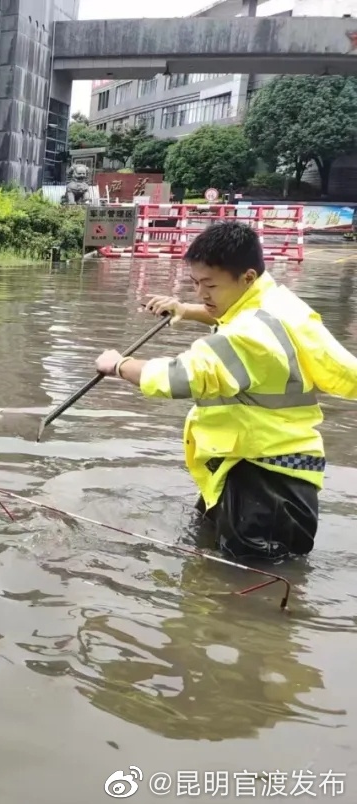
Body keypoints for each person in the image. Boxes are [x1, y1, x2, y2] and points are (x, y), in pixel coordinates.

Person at [94, 220, 357, 562]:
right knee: (213, 564)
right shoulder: (277, 302)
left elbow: (181, 376)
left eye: (210, 285)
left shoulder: (252, 334)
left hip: (264, 483)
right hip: (255, 465)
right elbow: (232, 314)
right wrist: (185, 311)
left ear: (247, 277)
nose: (201, 294)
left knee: (248, 582)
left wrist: (119, 365)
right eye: (195, 283)